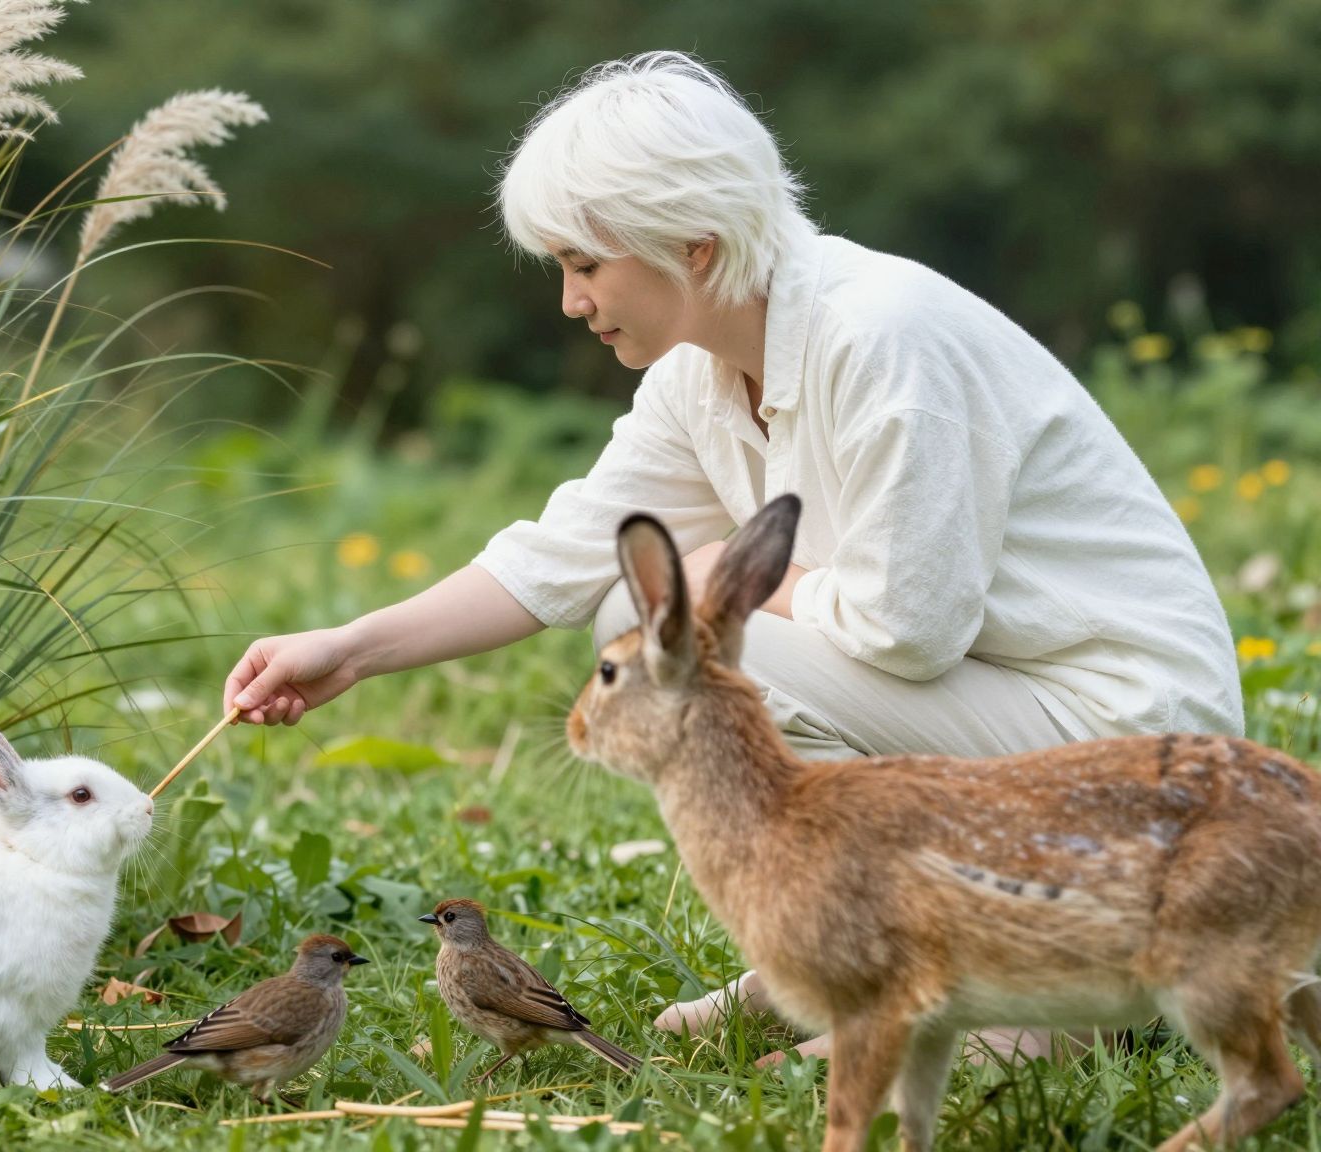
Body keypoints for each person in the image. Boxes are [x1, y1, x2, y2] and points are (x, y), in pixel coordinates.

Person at [221, 52, 1242, 1062]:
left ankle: (1004, 1000)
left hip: (1133, 768)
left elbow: (910, 630)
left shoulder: (882, 338)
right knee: (646, 635)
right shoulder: (700, 376)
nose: (570, 301)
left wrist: (721, 581)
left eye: (584, 265)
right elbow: (565, 556)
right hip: (1011, 731)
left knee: (693, 663)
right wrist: (351, 649)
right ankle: (856, 949)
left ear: (694, 248)